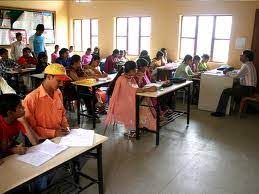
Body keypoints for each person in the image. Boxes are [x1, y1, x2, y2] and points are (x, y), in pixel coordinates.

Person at [105, 61, 157, 137]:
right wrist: (148, 89)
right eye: (135, 69)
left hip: (128, 100)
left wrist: (139, 81)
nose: (136, 70)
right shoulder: (122, 79)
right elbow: (134, 90)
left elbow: (135, 88)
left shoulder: (129, 77)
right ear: (131, 71)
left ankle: (143, 125)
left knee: (145, 101)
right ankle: (138, 127)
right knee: (143, 104)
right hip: (121, 103)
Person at [23, 63, 71, 139]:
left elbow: (62, 114)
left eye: (63, 82)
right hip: (41, 140)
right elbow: (30, 128)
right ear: (48, 77)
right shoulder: (31, 98)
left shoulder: (58, 93)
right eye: (59, 81)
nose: (61, 84)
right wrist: (53, 133)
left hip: (59, 136)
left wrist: (66, 126)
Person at [211, 50, 258, 117]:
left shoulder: (246, 65)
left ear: (247, 58)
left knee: (226, 91)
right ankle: (251, 110)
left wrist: (226, 72)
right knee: (235, 92)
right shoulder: (249, 64)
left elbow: (236, 76)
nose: (240, 56)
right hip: (250, 88)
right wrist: (231, 71)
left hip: (248, 89)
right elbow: (239, 73)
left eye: (242, 55)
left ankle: (220, 112)